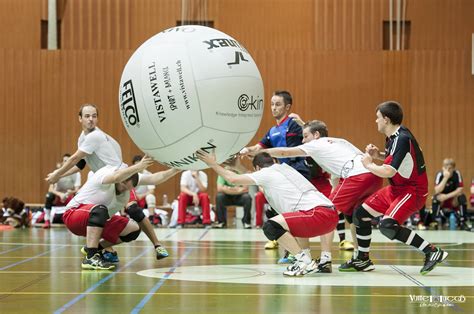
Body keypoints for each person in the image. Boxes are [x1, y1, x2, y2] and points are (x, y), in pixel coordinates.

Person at [257, 120, 383, 271]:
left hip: (357, 176)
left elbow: (286, 152)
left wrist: (261, 152)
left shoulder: (316, 144)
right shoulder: (339, 142)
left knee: (327, 214)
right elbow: (339, 174)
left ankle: (325, 260)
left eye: (305, 136)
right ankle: (361, 259)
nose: (303, 141)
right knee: (358, 217)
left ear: (316, 135)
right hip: (374, 175)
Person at [339, 101, 448, 275]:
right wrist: (379, 155)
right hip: (397, 189)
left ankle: (432, 251)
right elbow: (397, 159)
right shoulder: (395, 136)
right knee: (360, 214)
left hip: (412, 191)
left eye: (378, 118)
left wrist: (369, 164)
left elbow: (388, 171)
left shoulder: (402, 138)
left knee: (388, 225)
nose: (376, 121)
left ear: (386, 120)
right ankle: (362, 259)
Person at [198, 150, 338, 276]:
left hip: (317, 213)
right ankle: (306, 260)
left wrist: (213, 164)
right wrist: (238, 167)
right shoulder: (284, 169)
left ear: (258, 168)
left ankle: (304, 261)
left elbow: (233, 179)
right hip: (330, 215)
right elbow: (260, 181)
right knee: (292, 224)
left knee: (271, 226)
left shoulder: (267, 173)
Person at [240, 90, 310, 250]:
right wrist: (245, 150)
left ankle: (302, 253)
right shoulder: (272, 131)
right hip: (283, 175)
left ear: (287, 107)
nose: (273, 108)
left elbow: (310, 138)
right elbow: (258, 147)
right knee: (281, 210)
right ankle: (292, 251)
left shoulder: (293, 123)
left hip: (298, 172)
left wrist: (302, 124)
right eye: (272, 104)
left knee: (295, 213)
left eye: (277, 104)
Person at [64, 156, 153, 270]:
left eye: (129, 188)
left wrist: (174, 170)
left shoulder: (124, 192)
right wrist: (139, 166)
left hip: (98, 217)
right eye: (124, 186)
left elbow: (154, 179)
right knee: (100, 210)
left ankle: (93, 249)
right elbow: (117, 176)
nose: (126, 190)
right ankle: (90, 258)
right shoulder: (102, 174)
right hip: (74, 214)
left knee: (134, 229)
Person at [45, 103, 122, 184]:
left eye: (94, 116)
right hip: (104, 178)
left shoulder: (95, 135)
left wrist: (57, 174)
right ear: (80, 118)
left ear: (97, 119)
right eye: (87, 116)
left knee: (85, 186)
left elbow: (74, 159)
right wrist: (59, 175)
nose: (91, 119)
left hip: (115, 179)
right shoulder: (82, 138)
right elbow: (80, 165)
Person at [43, 154, 81, 229]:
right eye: (64, 161)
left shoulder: (76, 173)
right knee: (49, 195)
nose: (66, 162)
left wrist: (70, 192)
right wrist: (60, 194)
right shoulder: (56, 172)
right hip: (57, 197)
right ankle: (47, 220)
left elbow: (77, 189)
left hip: (69, 196)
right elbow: (50, 189)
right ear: (62, 163)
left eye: (68, 161)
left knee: (79, 195)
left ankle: (75, 221)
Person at [430, 158, 469, 230]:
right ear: (442, 168)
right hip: (442, 200)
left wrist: (446, 196)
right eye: (445, 167)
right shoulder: (440, 174)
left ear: (453, 168)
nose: (447, 170)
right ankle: (435, 221)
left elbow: (460, 189)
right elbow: (437, 190)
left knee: (462, 196)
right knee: (435, 198)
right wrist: (446, 177)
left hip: (453, 199)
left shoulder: (457, 173)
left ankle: (463, 221)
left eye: (450, 168)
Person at [214, 157, 252, 229]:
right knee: (219, 196)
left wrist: (228, 188)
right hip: (227, 197)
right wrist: (237, 189)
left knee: (247, 197)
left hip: (240, 197)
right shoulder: (223, 173)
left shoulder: (240, 172)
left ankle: (246, 222)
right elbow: (219, 188)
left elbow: (246, 188)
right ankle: (221, 222)